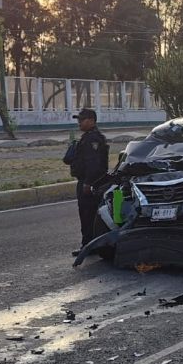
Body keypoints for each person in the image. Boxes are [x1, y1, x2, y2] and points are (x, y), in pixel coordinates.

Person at [64, 108, 109, 256]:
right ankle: (91, 244)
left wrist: (88, 183)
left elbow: (94, 164)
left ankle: (89, 245)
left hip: (90, 183)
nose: (79, 123)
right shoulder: (88, 137)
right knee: (88, 214)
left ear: (91, 121)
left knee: (88, 214)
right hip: (88, 181)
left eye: (81, 120)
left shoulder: (92, 139)